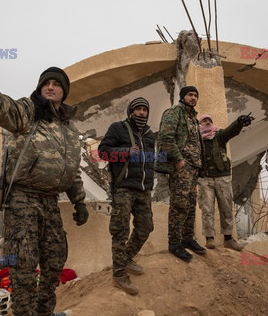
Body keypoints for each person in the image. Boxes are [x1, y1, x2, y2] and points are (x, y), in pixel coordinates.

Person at [0, 52, 88, 316]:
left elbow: (71, 170)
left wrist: (79, 201)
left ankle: (44, 312)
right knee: (24, 267)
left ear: (64, 91)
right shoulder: (28, 113)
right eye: (46, 83)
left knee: (54, 263)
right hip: (22, 199)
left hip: (50, 200)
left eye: (56, 84)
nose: (50, 87)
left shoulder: (69, 130)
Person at [98, 97, 155, 295]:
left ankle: (127, 258)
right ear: (131, 111)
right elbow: (103, 152)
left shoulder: (149, 135)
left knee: (146, 227)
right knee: (120, 230)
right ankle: (119, 274)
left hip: (143, 189)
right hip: (123, 188)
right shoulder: (118, 128)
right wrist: (125, 152)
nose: (141, 113)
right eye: (138, 109)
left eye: (144, 110)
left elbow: (150, 162)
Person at [155, 86, 206, 262]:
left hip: (193, 168)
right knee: (179, 205)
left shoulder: (193, 118)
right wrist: (178, 160)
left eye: (195, 95)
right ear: (183, 97)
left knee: (191, 204)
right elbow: (166, 137)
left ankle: (187, 238)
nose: (193, 98)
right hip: (181, 168)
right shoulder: (174, 112)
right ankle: (174, 242)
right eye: (190, 95)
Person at [197, 113, 253, 251]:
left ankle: (228, 239)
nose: (207, 122)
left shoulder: (219, 135)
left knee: (226, 208)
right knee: (207, 209)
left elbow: (231, 131)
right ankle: (209, 239)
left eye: (209, 120)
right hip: (205, 179)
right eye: (204, 121)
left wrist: (239, 122)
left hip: (222, 178)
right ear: (199, 124)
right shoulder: (196, 140)